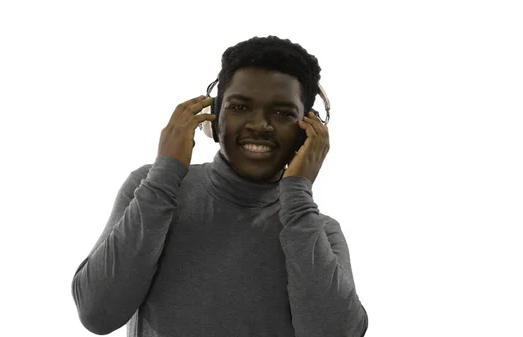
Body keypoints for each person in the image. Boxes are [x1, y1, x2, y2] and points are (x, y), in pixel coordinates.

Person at [71, 35, 368, 337]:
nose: (259, 125)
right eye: (240, 107)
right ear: (213, 117)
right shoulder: (152, 189)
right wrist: (164, 175)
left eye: (282, 113)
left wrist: (298, 195)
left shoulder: (317, 232)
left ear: (308, 132)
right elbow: (97, 314)